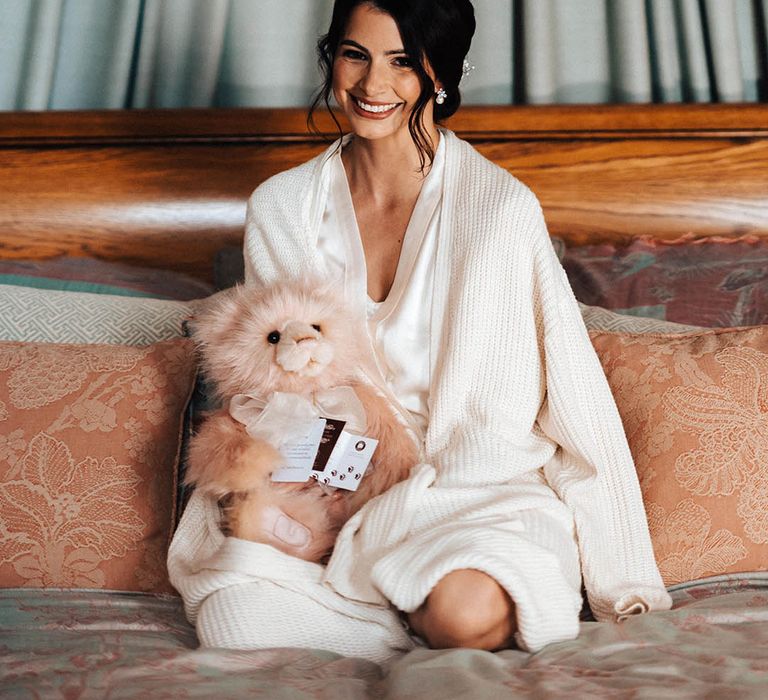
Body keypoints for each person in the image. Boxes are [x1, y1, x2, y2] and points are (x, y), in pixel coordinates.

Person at [168, 0, 671, 661]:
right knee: (231, 618)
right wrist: (296, 497)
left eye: (402, 62)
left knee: (463, 614)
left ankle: (390, 616)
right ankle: (379, 624)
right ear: (331, 57)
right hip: (339, 491)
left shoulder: (500, 210)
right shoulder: (282, 209)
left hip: (481, 492)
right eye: (356, 55)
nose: (373, 87)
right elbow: (279, 381)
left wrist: (620, 571)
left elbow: (574, 390)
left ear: (441, 72)